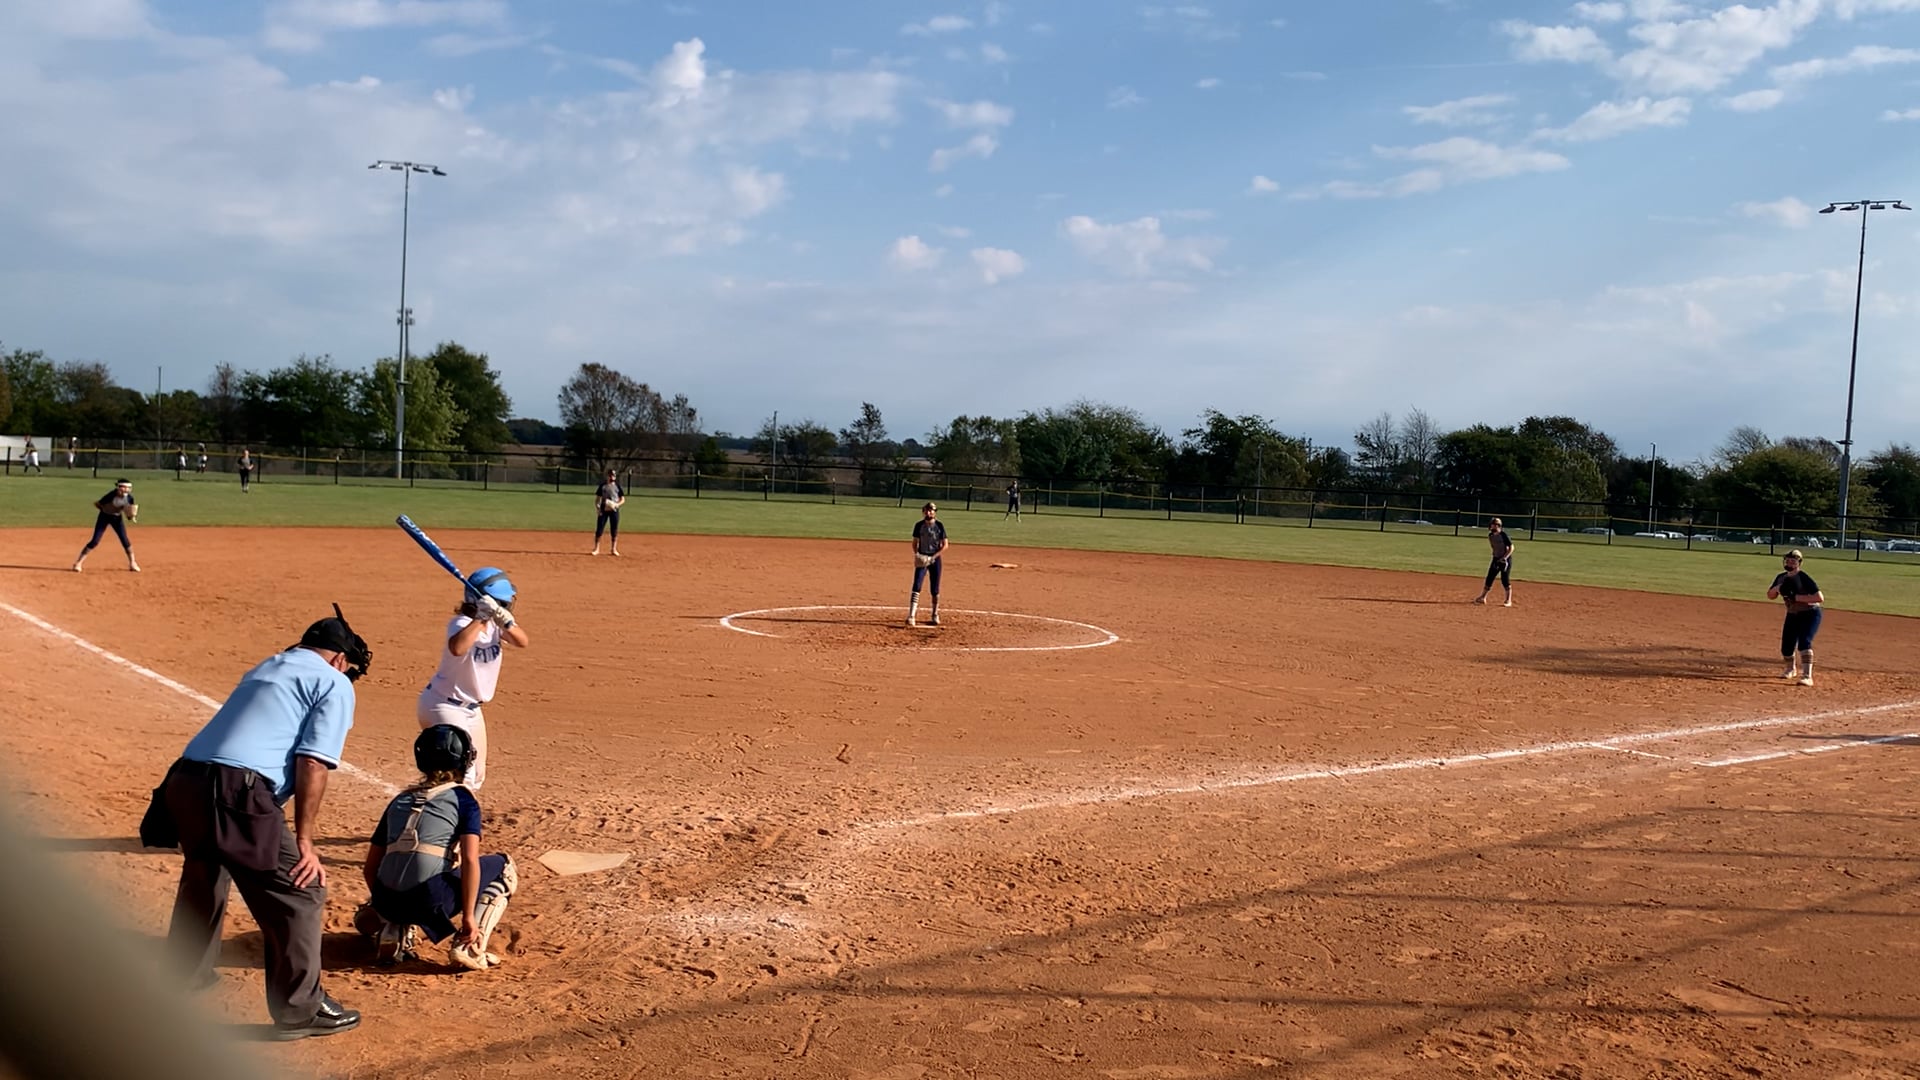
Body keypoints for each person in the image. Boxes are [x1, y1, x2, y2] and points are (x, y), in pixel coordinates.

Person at [151, 607, 371, 1039]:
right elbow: (313, 762)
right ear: (340, 659)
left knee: (205, 873)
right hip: (235, 789)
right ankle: (300, 1009)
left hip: (184, 782)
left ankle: (182, 979)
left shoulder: (268, 666)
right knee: (301, 889)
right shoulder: (334, 682)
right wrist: (305, 841)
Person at [361, 725, 519, 970]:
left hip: (385, 899)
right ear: (464, 760)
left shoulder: (399, 800)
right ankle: (469, 945)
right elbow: (470, 860)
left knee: (408, 870)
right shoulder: (463, 800)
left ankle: (393, 927)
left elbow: (370, 868)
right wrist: (467, 918)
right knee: (504, 867)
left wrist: (385, 907)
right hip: (429, 901)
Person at [416, 568, 530, 790]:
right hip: (444, 706)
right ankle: (437, 809)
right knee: (460, 775)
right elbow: (457, 648)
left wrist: (506, 622)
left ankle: (455, 809)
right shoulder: (461, 624)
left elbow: (522, 641)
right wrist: (480, 618)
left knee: (476, 775)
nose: (505, 606)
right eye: (501, 602)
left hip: (472, 709)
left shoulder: (495, 625)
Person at [1768, 549, 1825, 686]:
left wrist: (1795, 597)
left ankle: (1807, 676)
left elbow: (1819, 598)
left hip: (1810, 613)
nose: (1790, 563)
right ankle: (1791, 669)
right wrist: (1778, 588)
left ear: (1799, 563)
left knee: (1804, 642)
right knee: (1786, 646)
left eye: (1793, 561)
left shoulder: (1803, 578)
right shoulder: (1781, 578)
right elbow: (1770, 595)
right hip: (1793, 614)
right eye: (1788, 561)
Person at [73, 479, 140, 573]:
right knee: (95, 540)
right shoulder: (110, 496)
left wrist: (131, 516)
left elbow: (129, 512)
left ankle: (133, 563)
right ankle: (78, 563)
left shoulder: (129, 498)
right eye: (124, 487)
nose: (126, 490)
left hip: (117, 518)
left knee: (124, 539)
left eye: (128, 488)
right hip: (104, 517)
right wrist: (106, 509)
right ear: (118, 488)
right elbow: (97, 504)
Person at [907, 502, 949, 627]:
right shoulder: (919, 525)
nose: (928, 512)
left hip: (935, 559)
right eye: (926, 510)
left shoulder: (939, 526)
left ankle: (935, 614)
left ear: (935, 512)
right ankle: (911, 615)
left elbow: (945, 545)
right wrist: (918, 555)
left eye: (931, 510)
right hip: (923, 557)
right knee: (917, 585)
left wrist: (933, 557)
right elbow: (915, 543)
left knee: (934, 588)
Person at [1472, 517, 1515, 607]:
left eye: (1493, 524)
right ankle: (1483, 598)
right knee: (1490, 577)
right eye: (1491, 524)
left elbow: (1511, 547)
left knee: (1505, 579)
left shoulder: (1503, 535)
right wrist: (1496, 557)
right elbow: (1494, 547)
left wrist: (1504, 558)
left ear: (1498, 525)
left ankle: (1508, 600)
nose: (1491, 526)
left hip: (1505, 559)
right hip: (1496, 559)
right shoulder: (1490, 536)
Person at [592, 468, 624, 556]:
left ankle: (613, 549)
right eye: (610, 475)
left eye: (613, 475)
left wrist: (617, 504)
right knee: (599, 529)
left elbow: (622, 499)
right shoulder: (603, 486)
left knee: (614, 529)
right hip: (603, 509)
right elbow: (597, 499)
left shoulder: (617, 486)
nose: (612, 477)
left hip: (614, 510)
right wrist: (598, 508)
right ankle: (596, 549)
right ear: (607, 476)